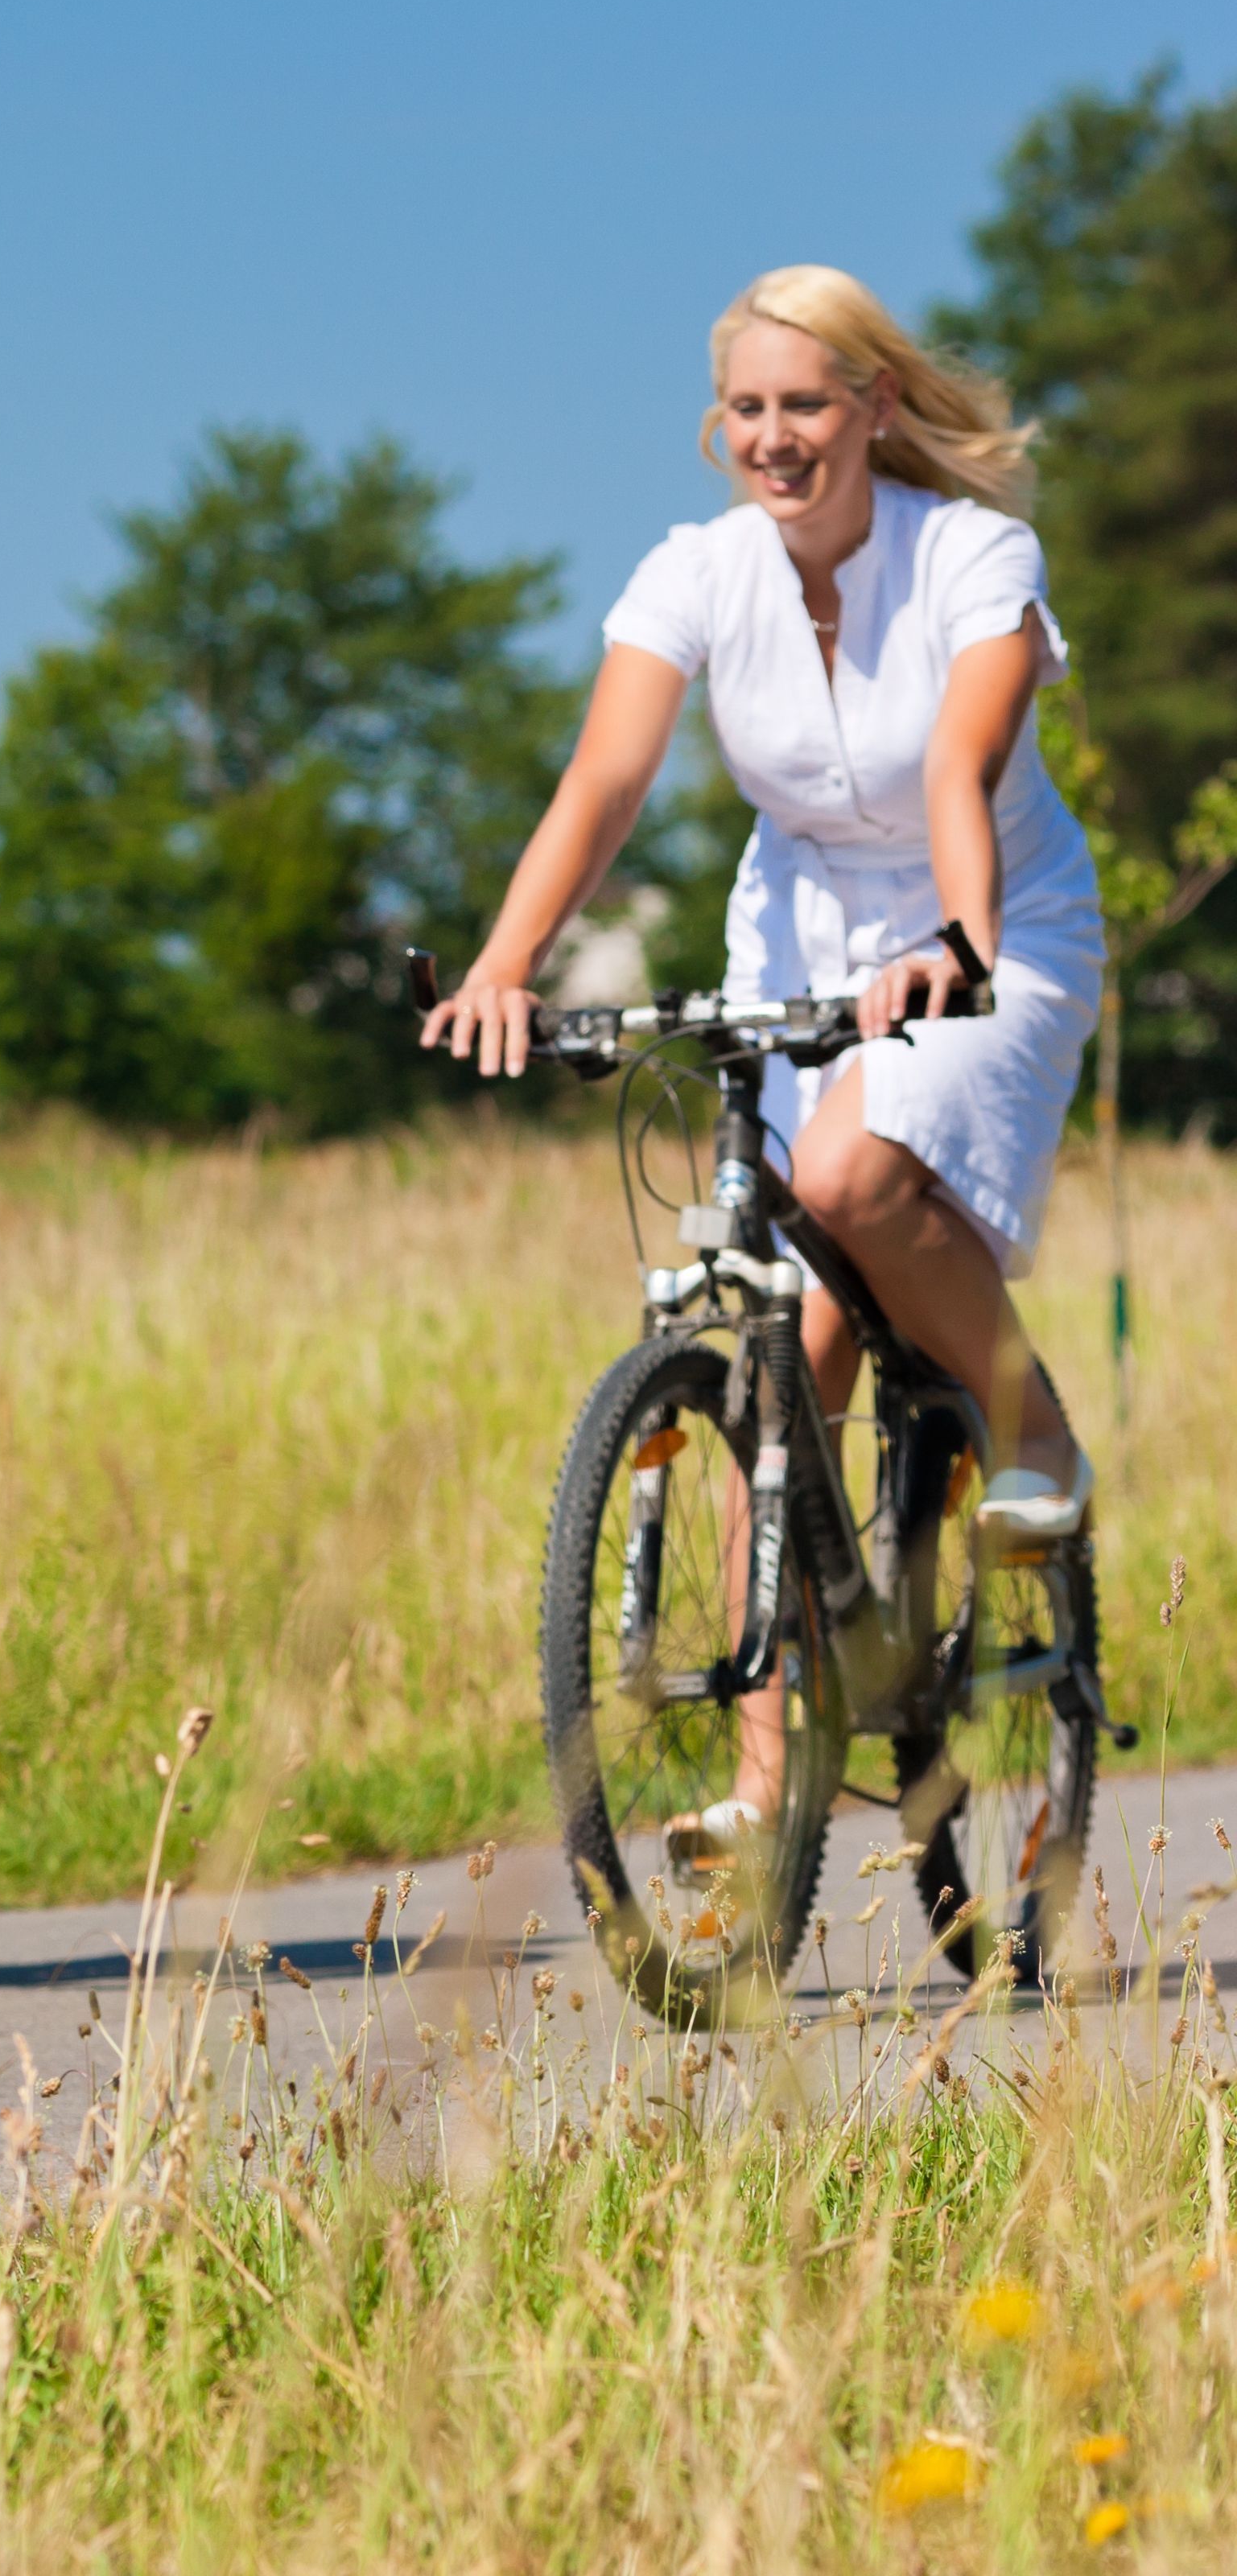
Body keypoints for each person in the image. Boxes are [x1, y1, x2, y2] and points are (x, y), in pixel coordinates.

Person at [423, 265, 1104, 1857]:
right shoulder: (697, 573)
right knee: (774, 1368)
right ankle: (761, 1778)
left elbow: (964, 755)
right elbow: (606, 777)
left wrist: (954, 934)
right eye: (747, 408)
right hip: (792, 930)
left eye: (807, 404)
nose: (775, 436)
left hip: (987, 918)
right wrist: (508, 965)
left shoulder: (974, 555)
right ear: (714, 425)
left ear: (872, 408)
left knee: (857, 1175)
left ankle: (1033, 1431)